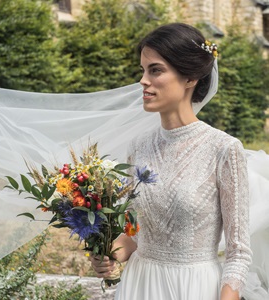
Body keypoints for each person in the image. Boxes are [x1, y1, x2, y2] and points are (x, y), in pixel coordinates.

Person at [89, 23, 253, 300]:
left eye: (155, 70)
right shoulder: (138, 146)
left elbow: (238, 253)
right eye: (143, 70)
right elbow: (134, 234)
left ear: (190, 78)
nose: (143, 80)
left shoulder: (224, 149)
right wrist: (109, 254)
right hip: (139, 285)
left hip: (193, 288)